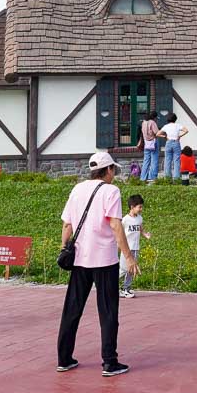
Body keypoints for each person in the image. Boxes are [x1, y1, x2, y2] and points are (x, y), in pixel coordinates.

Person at [57, 151, 139, 376]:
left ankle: (64, 359)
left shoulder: (77, 189)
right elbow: (115, 225)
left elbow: (67, 224)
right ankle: (109, 362)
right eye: (113, 169)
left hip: (80, 260)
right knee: (108, 312)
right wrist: (129, 257)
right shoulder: (111, 191)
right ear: (109, 170)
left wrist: (65, 248)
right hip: (104, 260)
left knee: (72, 310)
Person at [119, 194, 149, 298]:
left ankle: (125, 289)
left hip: (136, 248)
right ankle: (108, 284)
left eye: (141, 207)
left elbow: (140, 228)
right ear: (132, 207)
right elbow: (119, 232)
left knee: (132, 269)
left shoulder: (139, 218)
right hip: (126, 249)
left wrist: (145, 234)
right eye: (139, 207)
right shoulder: (125, 220)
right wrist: (118, 245)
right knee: (123, 269)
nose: (141, 209)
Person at [159, 114, 188, 180]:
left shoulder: (166, 126)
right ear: (175, 119)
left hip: (168, 143)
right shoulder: (178, 125)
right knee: (177, 160)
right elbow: (186, 130)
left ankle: (167, 177)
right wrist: (180, 136)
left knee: (167, 160)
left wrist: (165, 137)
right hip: (176, 143)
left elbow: (158, 134)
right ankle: (176, 178)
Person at [140, 112, 160, 183]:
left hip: (146, 144)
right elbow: (157, 132)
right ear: (154, 117)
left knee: (146, 161)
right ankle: (152, 177)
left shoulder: (143, 122)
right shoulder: (152, 122)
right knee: (154, 160)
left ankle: (143, 177)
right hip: (153, 143)